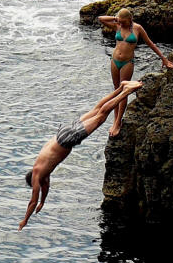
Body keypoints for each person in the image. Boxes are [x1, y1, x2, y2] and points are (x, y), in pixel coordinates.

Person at [20, 81, 142, 230]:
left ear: (33, 181)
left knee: (101, 117)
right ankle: (121, 87)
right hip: (62, 132)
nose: (39, 186)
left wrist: (25, 220)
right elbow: (45, 188)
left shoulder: (37, 177)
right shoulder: (42, 171)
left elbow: (33, 200)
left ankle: (126, 91)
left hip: (66, 140)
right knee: (96, 110)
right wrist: (42, 203)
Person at [96, 8, 173, 136]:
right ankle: (115, 120)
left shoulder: (138, 28)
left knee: (124, 91)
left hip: (127, 62)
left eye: (123, 22)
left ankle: (118, 122)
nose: (121, 24)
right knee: (116, 90)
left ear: (130, 19)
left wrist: (164, 59)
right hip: (114, 60)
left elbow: (150, 43)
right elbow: (101, 19)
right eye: (119, 22)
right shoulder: (117, 25)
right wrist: (116, 19)